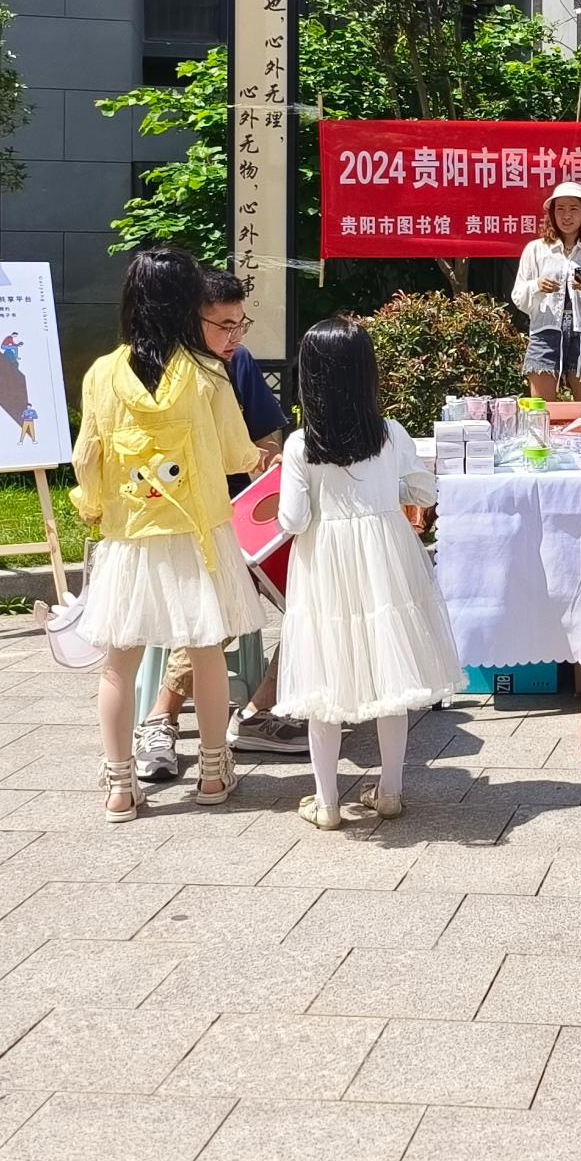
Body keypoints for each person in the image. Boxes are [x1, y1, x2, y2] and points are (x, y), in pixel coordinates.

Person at [71, 246, 274, 820]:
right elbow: (240, 451)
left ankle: (119, 785)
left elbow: (87, 455)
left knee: (120, 661)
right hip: (201, 534)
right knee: (207, 652)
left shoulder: (101, 374)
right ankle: (213, 773)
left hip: (131, 536)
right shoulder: (207, 374)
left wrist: (89, 506)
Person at [272, 316, 463, 829]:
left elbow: (294, 519)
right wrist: (387, 493)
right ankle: (392, 790)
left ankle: (328, 802)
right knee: (391, 674)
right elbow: (425, 491)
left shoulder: (299, 445)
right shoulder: (390, 433)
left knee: (325, 680)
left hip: (325, 564)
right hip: (385, 556)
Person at [132, 269, 298, 785]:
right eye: (223, 326)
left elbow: (263, 442)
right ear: (189, 318)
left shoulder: (235, 365)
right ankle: (162, 719)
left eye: (240, 324)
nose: (235, 338)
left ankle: (240, 712)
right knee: (206, 613)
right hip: (155, 526)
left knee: (314, 589)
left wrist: (264, 464)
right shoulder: (139, 370)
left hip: (232, 521)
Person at [513, 181, 581, 402]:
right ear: (551, 214)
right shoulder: (536, 249)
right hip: (545, 331)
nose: (566, 216)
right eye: (560, 209)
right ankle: (542, 438)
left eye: (573, 209)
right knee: (540, 411)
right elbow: (518, 297)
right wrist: (537, 286)